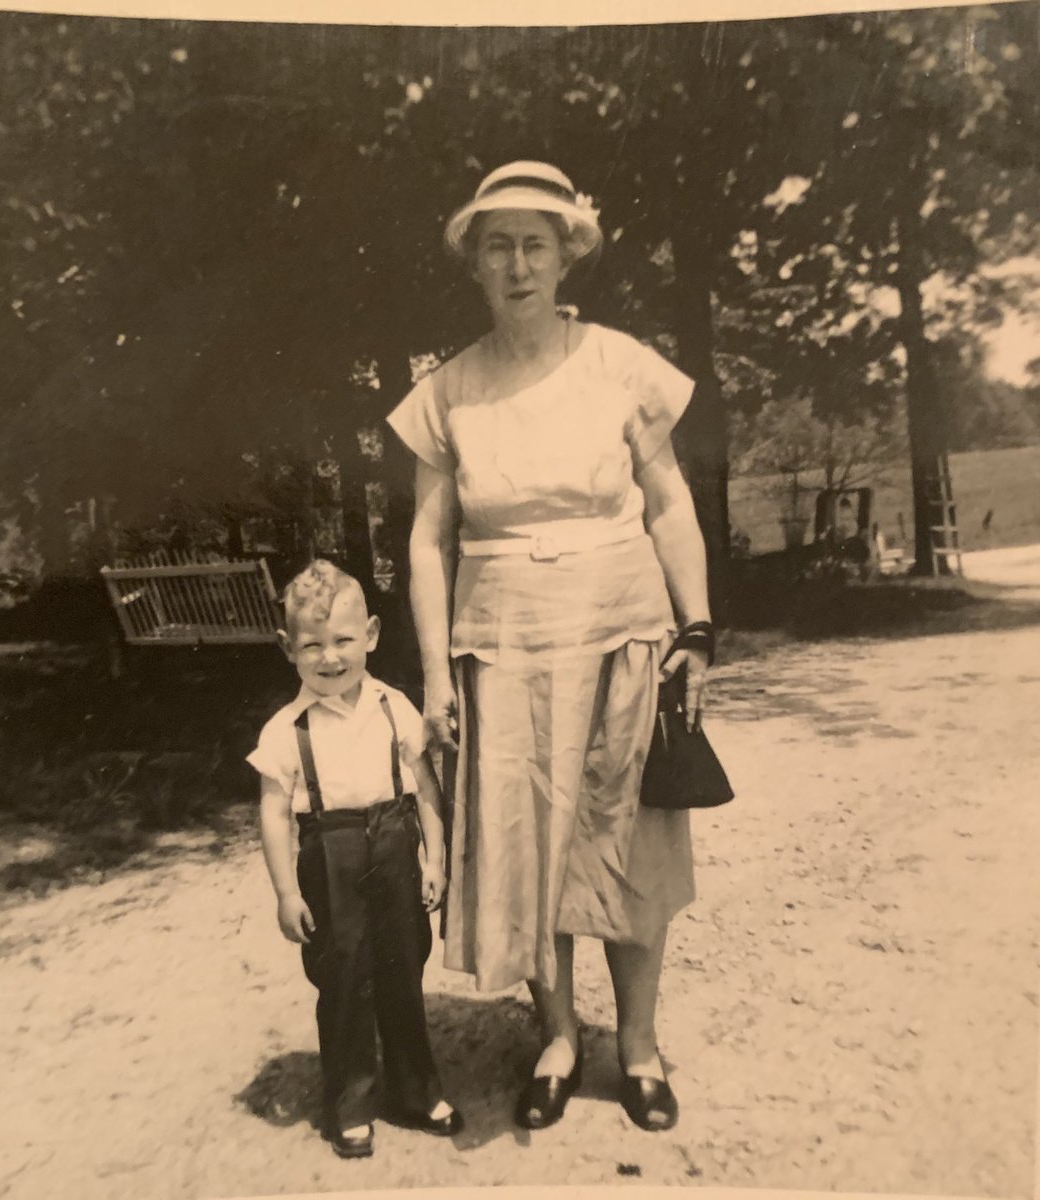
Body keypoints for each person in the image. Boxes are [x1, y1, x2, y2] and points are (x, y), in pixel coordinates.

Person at [386, 161, 714, 1133]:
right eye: (497, 246)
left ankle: (642, 1050)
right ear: (473, 265)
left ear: (568, 252)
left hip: (624, 638)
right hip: (503, 649)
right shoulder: (445, 392)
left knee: (626, 846)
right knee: (528, 850)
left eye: (535, 242)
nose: (517, 264)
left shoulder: (621, 365)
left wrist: (693, 627)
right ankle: (561, 1038)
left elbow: (668, 505)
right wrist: (436, 674)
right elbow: (423, 542)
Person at [248, 559, 463, 1159]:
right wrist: (287, 892)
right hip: (330, 857)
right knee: (343, 981)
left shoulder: (394, 705)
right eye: (312, 645)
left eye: (344, 640)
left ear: (370, 634)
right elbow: (272, 814)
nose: (330, 658)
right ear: (287, 648)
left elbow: (425, 789)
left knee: (402, 970)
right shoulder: (285, 729)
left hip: (394, 847)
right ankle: (349, 1101)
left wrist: (434, 860)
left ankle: (415, 1091)